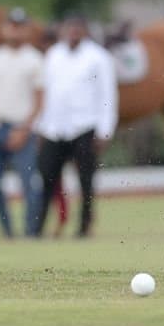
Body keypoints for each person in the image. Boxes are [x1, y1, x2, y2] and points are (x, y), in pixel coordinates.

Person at [34, 13, 116, 238]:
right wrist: (40, 125)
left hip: (85, 126)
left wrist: (105, 129)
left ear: (84, 31)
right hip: (55, 127)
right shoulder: (54, 55)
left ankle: (84, 226)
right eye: (69, 28)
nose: (73, 33)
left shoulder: (98, 58)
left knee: (86, 180)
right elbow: (48, 93)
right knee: (47, 177)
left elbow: (107, 95)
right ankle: (38, 227)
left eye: (77, 29)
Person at [0, 7, 45, 238]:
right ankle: (7, 231)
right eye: (11, 25)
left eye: (20, 26)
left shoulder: (35, 60)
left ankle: (30, 232)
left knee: (28, 183)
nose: (15, 31)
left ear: (26, 30)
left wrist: (25, 129)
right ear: (5, 28)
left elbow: (39, 101)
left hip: (21, 129)